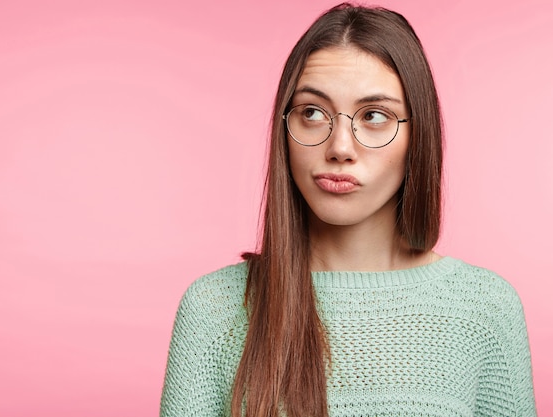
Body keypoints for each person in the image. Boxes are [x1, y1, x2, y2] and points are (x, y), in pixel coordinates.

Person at [159, 3, 536, 417]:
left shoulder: (484, 308)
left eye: (375, 116)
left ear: (419, 135)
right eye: (312, 113)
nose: (339, 147)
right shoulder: (214, 309)